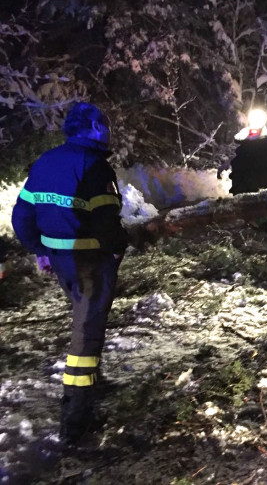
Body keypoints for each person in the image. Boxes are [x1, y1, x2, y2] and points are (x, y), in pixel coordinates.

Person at [12, 102, 128, 444]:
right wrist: (121, 245)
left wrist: (40, 251)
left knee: (83, 323)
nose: (107, 130)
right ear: (93, 128)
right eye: (103, 125)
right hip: (91, 262)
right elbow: (108, 222)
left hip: (62, 263)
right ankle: (76, 421)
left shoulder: (46, 161)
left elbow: (22, 216)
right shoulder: (94, 166)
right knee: (86, 337)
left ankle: (93, 384)